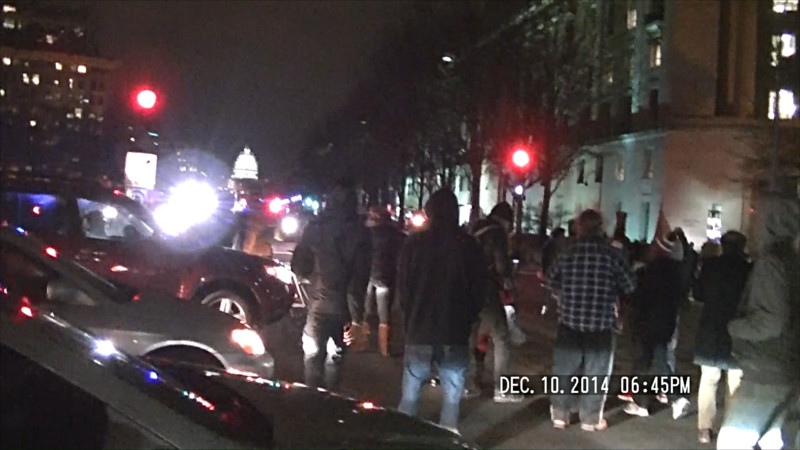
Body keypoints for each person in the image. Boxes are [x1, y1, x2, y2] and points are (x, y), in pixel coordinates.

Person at [396, 189, 486, 434]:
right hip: (455, 329)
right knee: (452, 396)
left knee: (410, 394)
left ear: (429, 212)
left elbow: (403, 288)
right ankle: (448, 435)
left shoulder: (414, 243)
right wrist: (470, 318)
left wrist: (408, 318)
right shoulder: (469, 245)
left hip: (420, 326)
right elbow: (479, 288)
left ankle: (401, 436)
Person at [717, 196, 800, 450]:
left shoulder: (772, 263)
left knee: (732, 442)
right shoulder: (792, 260)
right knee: (772, 441)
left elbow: (771, 321)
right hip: (784, 367)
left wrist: (735, 327)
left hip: (765, 370)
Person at [546, 209, 636, 431]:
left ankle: (560, 415)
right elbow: (630, 284)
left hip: (569, 321)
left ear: (579, 227)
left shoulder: (567, 252)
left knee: (564, 370)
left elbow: (550, 280)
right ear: (600, 228)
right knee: (596, 373)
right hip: (601, 323)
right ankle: (590, 418)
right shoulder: (612, 254)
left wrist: (562, 294)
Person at [291, 181, 371, 391]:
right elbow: (358, 282)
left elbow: (299, 265)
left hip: (318, 304)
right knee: (335, 356)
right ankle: (330, 400)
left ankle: (312, 400)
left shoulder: (315, 228)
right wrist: (357, 319)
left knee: (312, 355)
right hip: (343, 308)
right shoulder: (361, 234)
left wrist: (311, 282)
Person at [692, 231, 752, 444]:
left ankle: (704, 428)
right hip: (737, 330)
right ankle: (730, 425)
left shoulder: (710, 266)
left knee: (708, 379)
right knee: (735, 382)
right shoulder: (748, 270)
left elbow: (698, 294)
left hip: (710, 327)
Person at [623, 231, 690, 419]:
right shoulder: (676, 273)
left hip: (646, 321)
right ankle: (666, 398)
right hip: (666, 322)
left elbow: (637, 297)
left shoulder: (650, 272)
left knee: (643, 362)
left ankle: (647, 402)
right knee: (659, 361)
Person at [465, 201, 524, 403]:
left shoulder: (474, 229)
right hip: (486, 288)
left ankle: (469, 383)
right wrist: (509, 281)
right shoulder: (496, 233)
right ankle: (502, 388)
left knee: (472, 334)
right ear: (505, 220)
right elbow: (501, 266)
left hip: (467, 288)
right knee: (501, 337)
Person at [360, 205, 406, 356]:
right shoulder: (395, 235)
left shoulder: (365, 234)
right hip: (385, 277)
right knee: (384, 317)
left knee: (365, 312)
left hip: (366, 275)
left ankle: (361, 344)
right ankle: (384, 349)